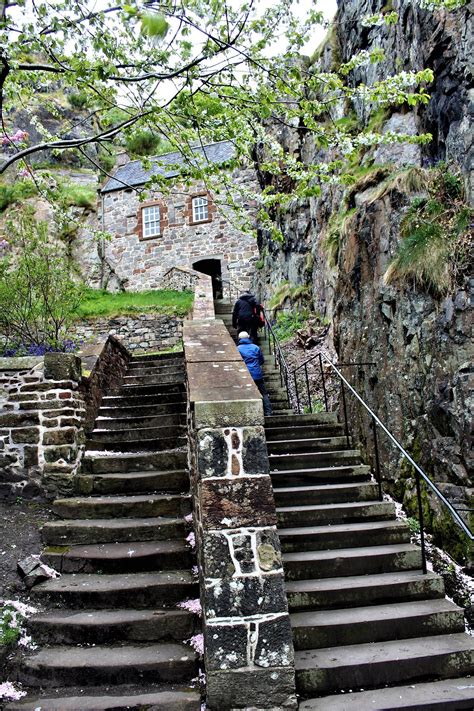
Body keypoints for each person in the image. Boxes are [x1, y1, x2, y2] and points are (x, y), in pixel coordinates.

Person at [237, 331, 272, 416]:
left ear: (239, 339)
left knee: (245, 394)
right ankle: (268, 412)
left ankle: (250, 414)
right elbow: (261, 360)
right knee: (263, 393)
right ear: (248, 337)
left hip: (245, 375)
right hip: (257, 374)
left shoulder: (237, 349)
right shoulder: (255, 347)